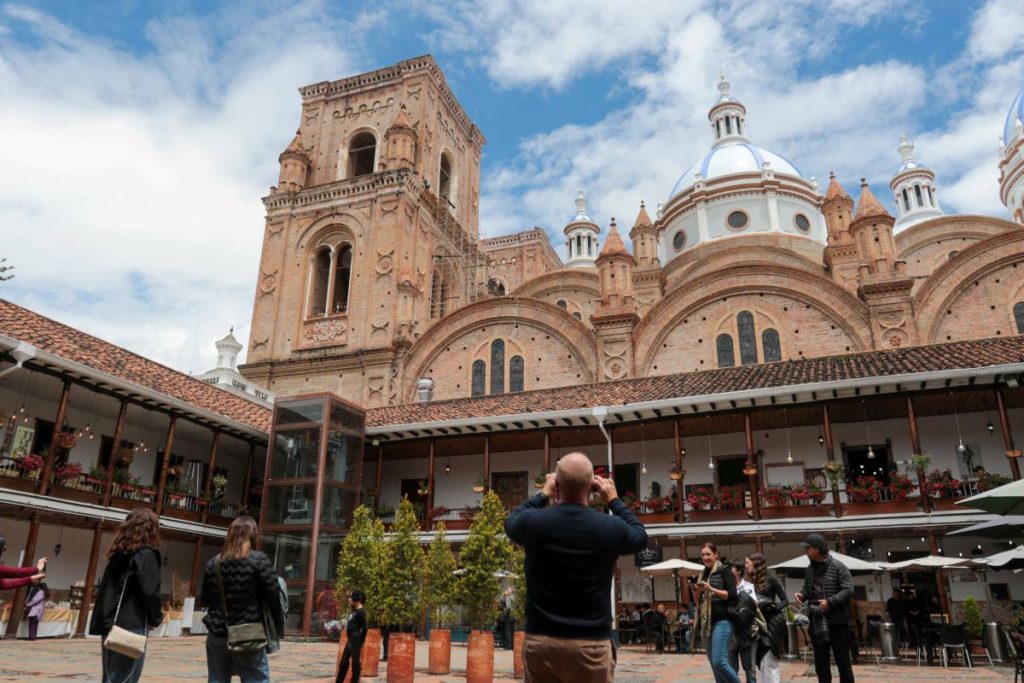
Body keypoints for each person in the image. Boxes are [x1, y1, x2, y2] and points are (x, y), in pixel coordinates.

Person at [505, 451, 648, 683]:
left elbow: (511, 521)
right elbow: (640, 537)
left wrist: (543, 494)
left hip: (541, 643)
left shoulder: (534, 523)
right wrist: (613, 499)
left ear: (557, 485)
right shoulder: (609, 527)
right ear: (592, 487)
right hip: (590, 645)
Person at [201, 515, 284, 683]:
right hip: (248, 634)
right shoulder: (259, 560)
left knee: (217, 679)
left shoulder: (213, 563)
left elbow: (206, 599)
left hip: (217, 633)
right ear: (252, 535)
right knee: (256, 678)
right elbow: (273, 597)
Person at [89, 507, 163, 683]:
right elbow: (150, 592)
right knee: (125, 678)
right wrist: (156, 618)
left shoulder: (118, 554)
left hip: (110, 622)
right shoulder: (146, 555)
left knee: (111, 676)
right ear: (152, 529)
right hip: (131, 624)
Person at [795, 533, 854, 683]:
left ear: (817, 549)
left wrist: (831, 602)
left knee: (843, 662)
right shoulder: (809, 569)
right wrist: (802, 595)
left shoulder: (838, 567)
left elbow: (848, 590)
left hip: (838, 621)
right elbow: (808, 590)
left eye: (808, 548)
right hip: (817, 620)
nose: (806, 551)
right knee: (821, 663)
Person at [693, 542, 740, 683]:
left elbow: (732, 595)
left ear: (716, 554)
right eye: (703, 555)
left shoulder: (725, 571)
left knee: (720, 663)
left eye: (708, 554)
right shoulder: (703, 573)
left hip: (723, 621)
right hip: (707, 623)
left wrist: (711, 589)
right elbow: (700, 603)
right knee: (714, 665)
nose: (705, 557)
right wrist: (696, 592)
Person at [747, 553, 787, 683]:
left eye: (748, 563)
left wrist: (774, 606)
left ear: (756, 564)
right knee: (763, 663)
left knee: (770, 662)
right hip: (759, 625)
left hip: (773, 623)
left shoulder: (772, 580)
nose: (746, 565)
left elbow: (785, 600)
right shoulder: (749, 582)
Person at [728, 559, 757, 683]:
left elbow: (754, 605)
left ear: (739, 571)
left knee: (749, 668)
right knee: (731, 669)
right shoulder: (725, 588)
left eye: (732, 569)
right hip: (730, 632)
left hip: (745, 632)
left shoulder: (749, 587)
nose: (729, 572)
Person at [336, 590, 366, 683]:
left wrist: (361, 641)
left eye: (352, 599)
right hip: (350, 639)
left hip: (356, 639)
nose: (350, 600)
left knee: (355, 663)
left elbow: (365, 628)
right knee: (344, 662)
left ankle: (354, 681)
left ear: (356, 601)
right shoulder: (355, 609)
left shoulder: (361, 612)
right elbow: (352, 604)